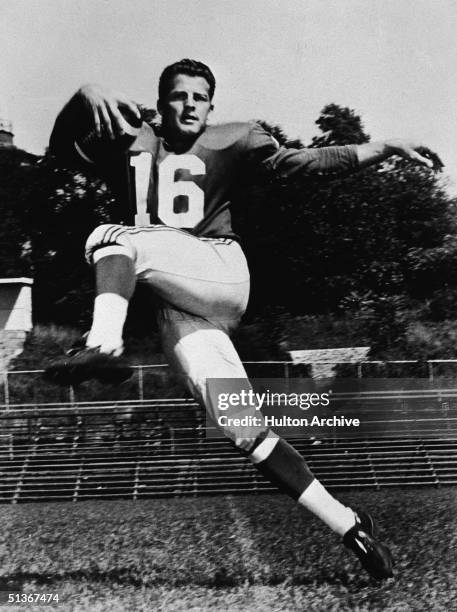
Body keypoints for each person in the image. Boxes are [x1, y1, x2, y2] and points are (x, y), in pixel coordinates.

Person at [44, 58, 442, 580]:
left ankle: (104, 343)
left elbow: (307, 162)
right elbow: (58, 150)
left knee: (109, 237)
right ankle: (350, 526)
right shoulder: (129, 138)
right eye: (179, 96)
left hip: (220, 271)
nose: (189, 105)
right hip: (175, 304)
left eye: (199, 97)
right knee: (243, 429)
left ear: (212, 105)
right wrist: (83, 94)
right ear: (161, 102)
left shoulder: (234, 139)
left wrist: (381, 148)